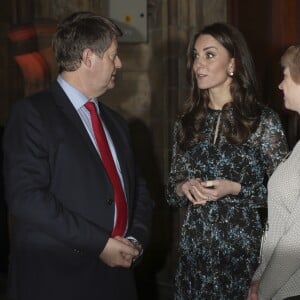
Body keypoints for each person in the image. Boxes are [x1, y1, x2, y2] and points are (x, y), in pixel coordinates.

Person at [3, 11, 154, 300]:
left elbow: (140, 192)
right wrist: (100, 244)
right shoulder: (33, 114)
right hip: (58, 280)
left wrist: (134, 240)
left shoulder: (117, 123)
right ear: (88, 58)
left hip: (117, 280)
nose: (119, 64)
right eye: (113, 55)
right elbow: (27, 197)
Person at [166, 22, 288, 299]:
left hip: (242, 253)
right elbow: (171, 190)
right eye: (195, 56)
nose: (199, 64)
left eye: (209, 55)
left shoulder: (261, 121)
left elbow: (288, 196)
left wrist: (236, 189)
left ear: (232, 63)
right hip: (194, 254)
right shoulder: (186, 122)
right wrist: (183, 187)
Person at [248, 45, 300, 300]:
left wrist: (264, 290)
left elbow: (297, 236)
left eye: (286, 76)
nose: (280, 85)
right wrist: (259, 277)